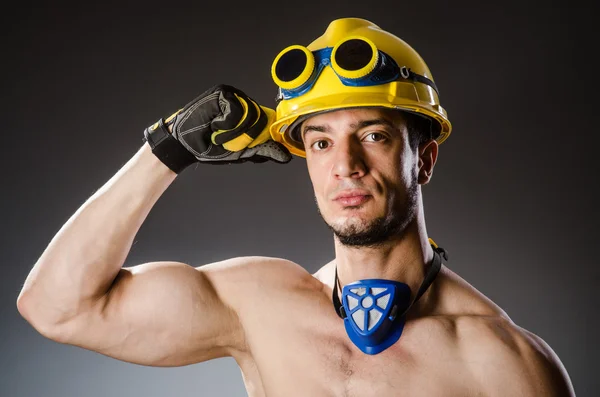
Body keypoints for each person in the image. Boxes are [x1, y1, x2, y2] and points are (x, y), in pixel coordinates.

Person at [17, 17, 575, 396]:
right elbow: (57, 307)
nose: (345, 165)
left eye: (374, 135)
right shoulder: (257, 307)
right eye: (320, 142)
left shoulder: (503, 363)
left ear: (423, 160)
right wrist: (166, 150)